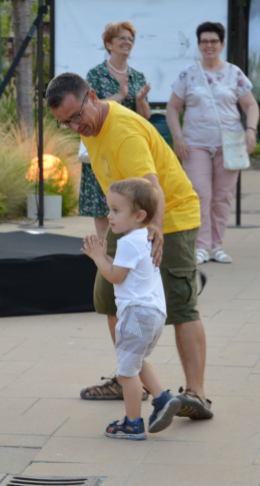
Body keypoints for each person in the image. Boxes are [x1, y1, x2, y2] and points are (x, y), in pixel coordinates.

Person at [47, 72, 214, 421]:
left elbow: (152, 188)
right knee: (108, 298)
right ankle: (129, 374)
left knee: (182, 305)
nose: (76, 127)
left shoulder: (124, 133)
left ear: (92, 96)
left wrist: (155, 227)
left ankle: (196, 393)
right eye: (66, 123)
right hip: (127, 220)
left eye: (77, 116)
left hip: (169, 219)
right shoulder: (90, 127)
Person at [81, 178, 181, 440]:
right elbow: (127, 269)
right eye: (109, 209)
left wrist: (98, 258)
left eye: (116, 210)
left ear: (139, 215)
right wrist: (106, 258)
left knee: (127, 370)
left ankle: (133, 423)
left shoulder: (127, 242)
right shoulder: (144, 239)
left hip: (136, 315)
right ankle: (163, 398)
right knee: (135, 360)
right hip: (154, 314)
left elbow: (115, 276)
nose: (109, 216)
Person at [166, 22, 260, 265]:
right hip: (195, 144)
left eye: (214, 41)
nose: (209, 45)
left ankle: (217, 246)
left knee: (222, 196)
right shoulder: (188, 73)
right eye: (204, 41)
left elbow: (250, 105)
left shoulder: (234, 73)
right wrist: (177, 136)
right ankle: (201, 246)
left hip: (230, 144)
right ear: (198, 45)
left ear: (222, 45)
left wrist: (250, 130)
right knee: (199, 194)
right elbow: (173, 108)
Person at [79, 21, 152, 241]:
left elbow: (145, 117)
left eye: (130, 39)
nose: (127, 42)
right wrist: (120, 95)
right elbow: (88, 110)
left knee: (130, 208)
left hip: (126, 149)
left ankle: (127, 261)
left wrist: (139, 100)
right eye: (121, 38)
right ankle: (106, 264)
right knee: (103, 213)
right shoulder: (96, 74)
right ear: (109, 44)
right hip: (101, 148)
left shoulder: (137, 76)